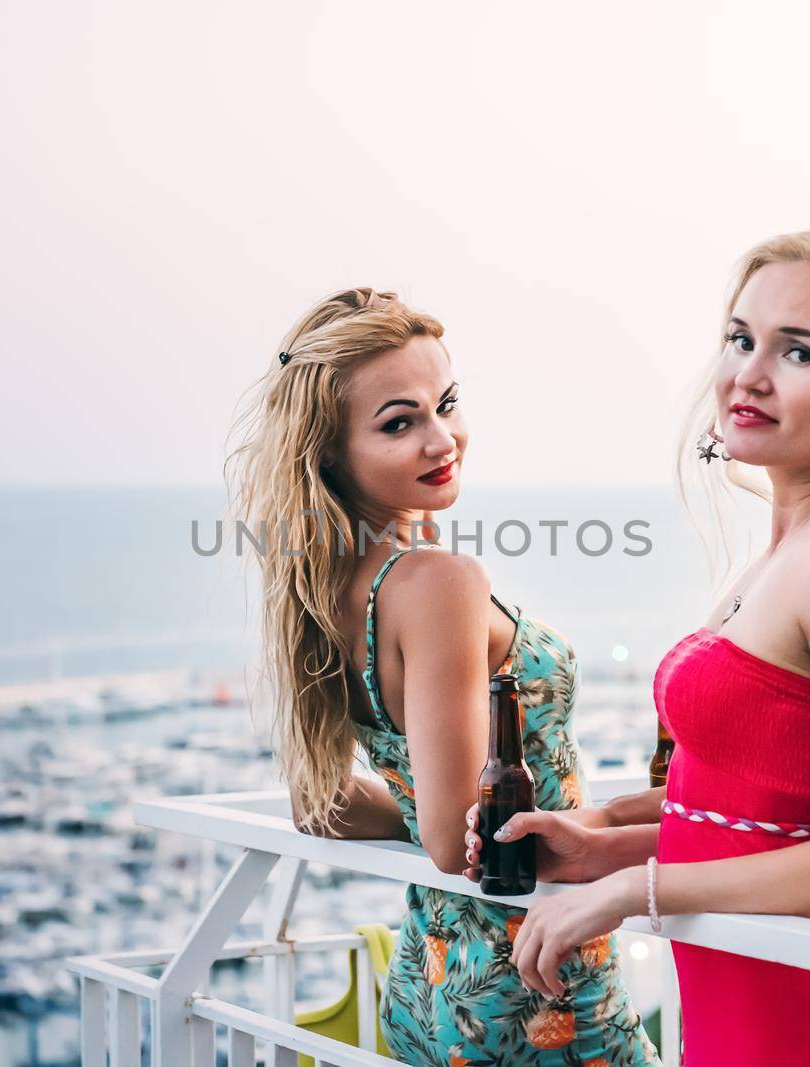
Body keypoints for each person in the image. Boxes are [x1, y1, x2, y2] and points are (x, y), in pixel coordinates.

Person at [463, 230, 810, 1064]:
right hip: (754, 1021)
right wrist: (602, 847)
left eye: (798, 351)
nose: (749, 374)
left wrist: (633, 890)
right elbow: (762, 821)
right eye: (741, 339)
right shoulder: (789, 551)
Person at [227, 288, 660, 1066]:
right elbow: (454, 832)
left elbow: (320, 801)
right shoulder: (437, 581)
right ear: (331, 452)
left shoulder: (327, 584)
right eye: (400, 422)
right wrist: (633, 823)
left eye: (446, 404)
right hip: (533, 982)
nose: (442, 438)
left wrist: (420, 800)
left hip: (429, 981)